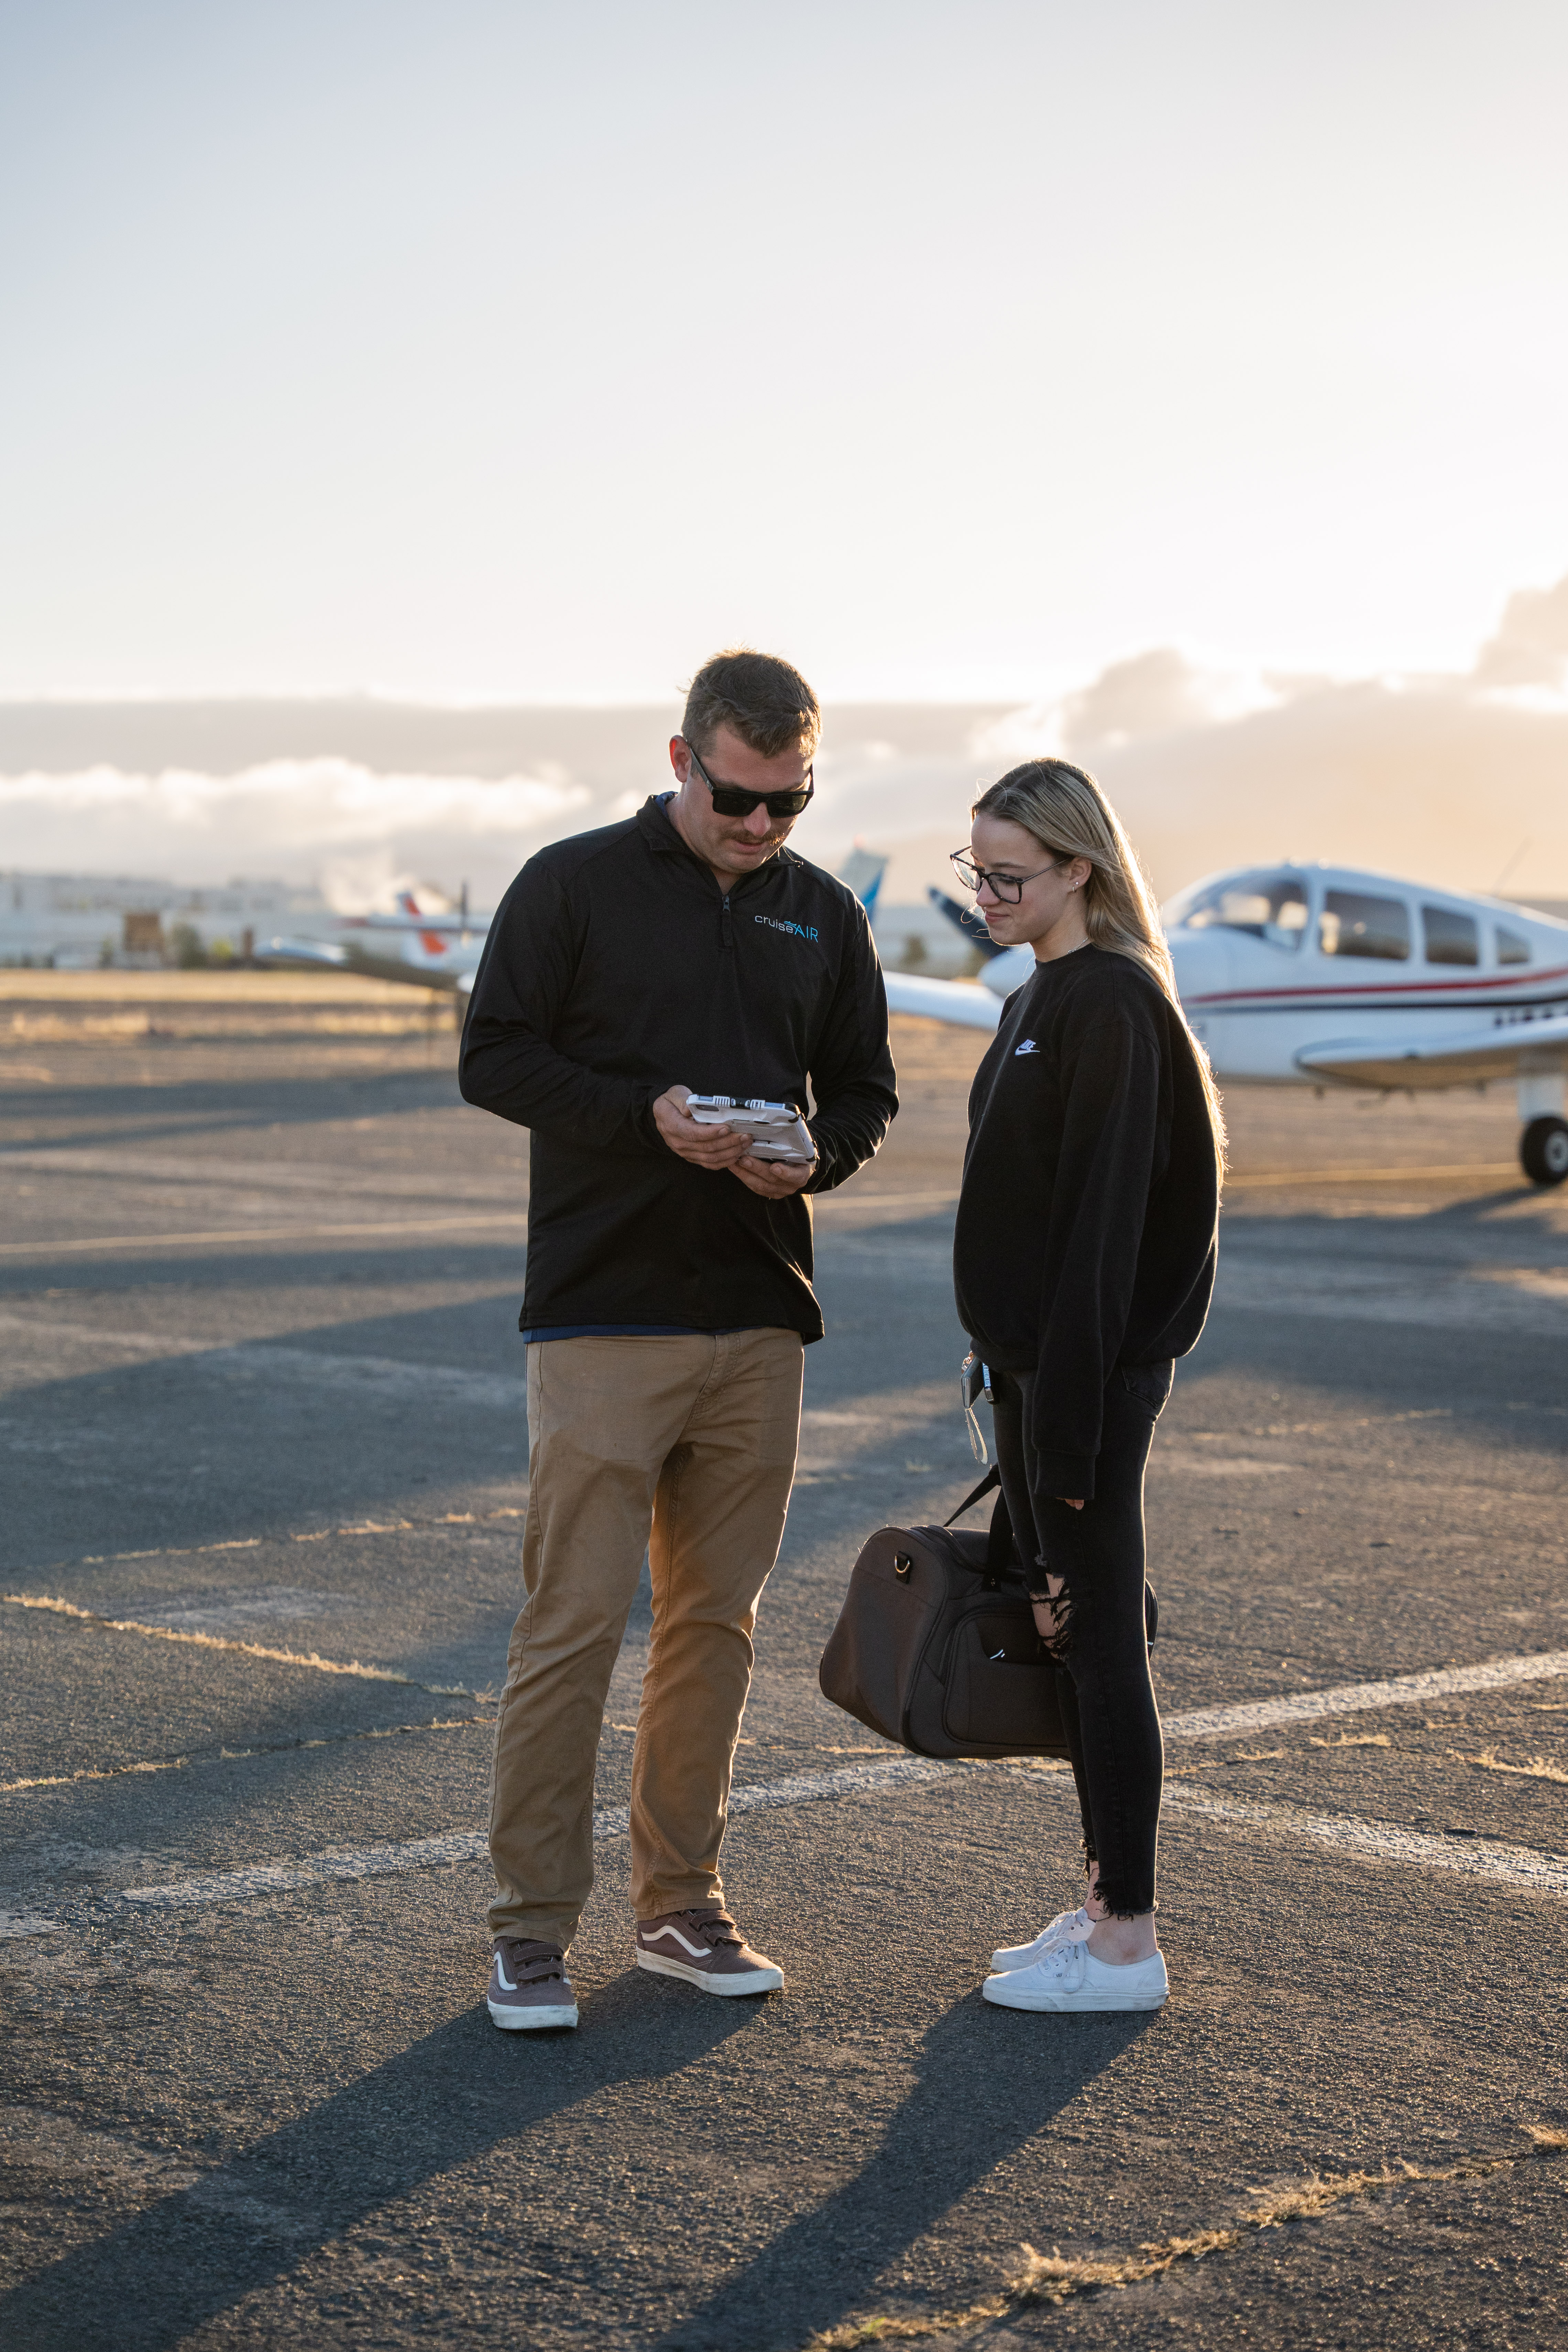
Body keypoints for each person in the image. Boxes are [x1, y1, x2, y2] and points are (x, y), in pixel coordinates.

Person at [459, 648, 897, 2030]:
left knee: (714, 1625)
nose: (761, 826)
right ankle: (529, 1929)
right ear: (680, 759)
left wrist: (811, 1158)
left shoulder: (822, 913)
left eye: (790, 802)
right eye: (739, 796)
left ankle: (679, 1906)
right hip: (601, 1313)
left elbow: (867, 1093)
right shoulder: (570, 883)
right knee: (573, 1623)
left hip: (760, 1319)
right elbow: (494, 1056)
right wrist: (643, 1113)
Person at [948, 758, 1224, 2014]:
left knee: (1101, 1637)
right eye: (977, 871)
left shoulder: (1109, 1002)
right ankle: (1107, 1893)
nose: (987, 895)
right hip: (1039, 1375)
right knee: (1078, 1636)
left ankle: (1125, 1941)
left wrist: (1059, 1429)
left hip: (1087, 1385)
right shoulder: (1042, 994)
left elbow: (1104, 1236)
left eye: (1010, 875)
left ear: (1080, 870)